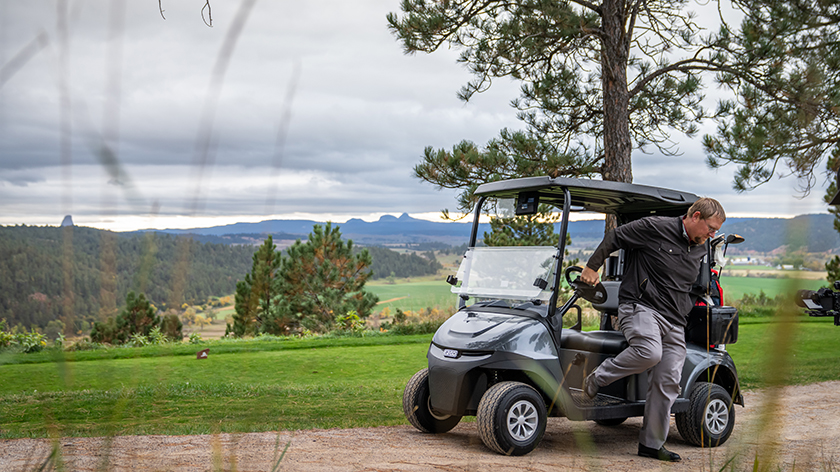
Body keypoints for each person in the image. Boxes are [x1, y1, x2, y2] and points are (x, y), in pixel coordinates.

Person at [580, 197, 725, 462]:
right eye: (711, 228)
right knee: (649, 352)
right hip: (640, 307)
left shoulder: (700, 248)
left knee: (669, 379)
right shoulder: (655, 227)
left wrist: (688, 306)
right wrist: (592, 266)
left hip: (674, 321)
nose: (712, 234)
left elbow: (690, 286)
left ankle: (651, 444)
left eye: (715, 230)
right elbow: (616, 236)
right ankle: (598, 378)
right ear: (695, 217)